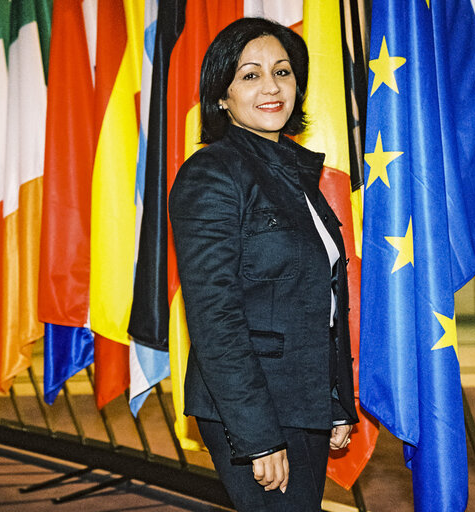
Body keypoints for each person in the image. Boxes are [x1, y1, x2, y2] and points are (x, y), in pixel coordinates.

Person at [168, 17, 358, 511]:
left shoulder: (294, 173)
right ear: (222, 97)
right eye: (250, 75)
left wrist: (334, 402)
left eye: (283, 71)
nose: (271, 87)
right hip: (253, 407)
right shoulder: (211, 174)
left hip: (302, 399)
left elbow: (317, 305)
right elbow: (215, 318)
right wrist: (258, 437)